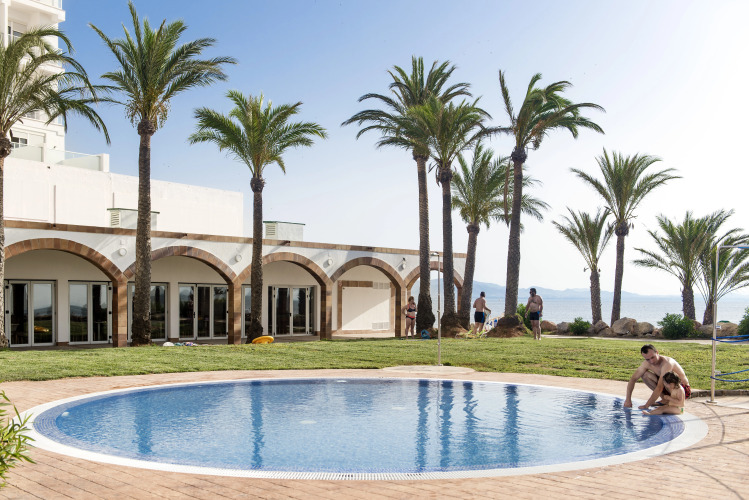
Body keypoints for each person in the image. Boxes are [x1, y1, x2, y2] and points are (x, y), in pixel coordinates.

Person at [623, 344, 691, 409]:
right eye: (647, 359)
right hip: (667, 387)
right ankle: (665, 400)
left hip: (682, 390)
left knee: (666, 381)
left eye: (653, 357)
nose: (651, 361)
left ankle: (672, 401)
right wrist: (628, 400)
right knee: (645, 375)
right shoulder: (646, 364)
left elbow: (660, 387)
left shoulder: (667, 363)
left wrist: (646, 405)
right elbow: (633, 379)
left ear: (657, 352)